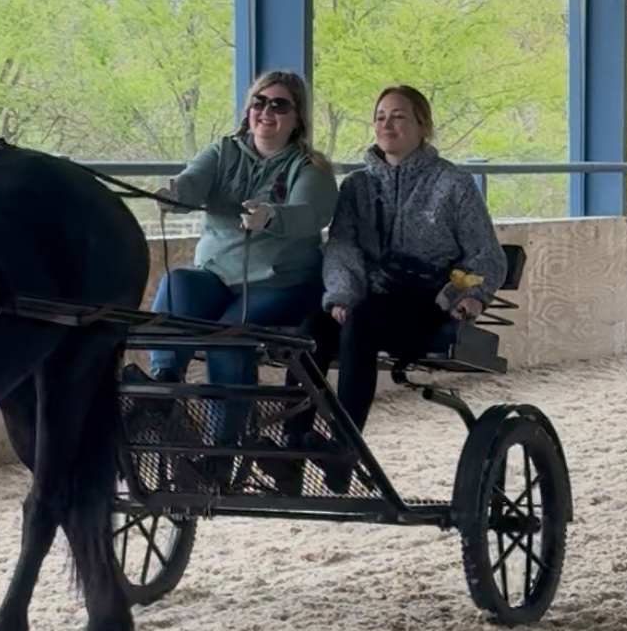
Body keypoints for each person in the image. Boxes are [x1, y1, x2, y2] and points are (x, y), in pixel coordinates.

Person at [316, 84, 507, 433]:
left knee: (363, 322)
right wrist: (343, 294)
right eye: (380, 117)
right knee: (306, 332)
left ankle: (344, 444)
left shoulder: (453, 184)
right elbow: (342, 246)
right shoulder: (356, 186)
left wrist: (471, 296)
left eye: (399, 117)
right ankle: (294, 445)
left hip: (423, 302)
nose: (387, 125)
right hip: (366, 296)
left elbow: (486, 255)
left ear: (423, 126)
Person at [149, 70, 338, 388]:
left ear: (297, 118)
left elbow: (308, 214)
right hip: (217, 277)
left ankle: (227, 436)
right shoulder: (221, 152)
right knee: (176, 284)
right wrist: (174, 196)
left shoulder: (310, 168)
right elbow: (192, 183)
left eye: (279, 105)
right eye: (259, 102)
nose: (266, 112)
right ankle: (162, 382)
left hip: (282, 285)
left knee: (228, 335)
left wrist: (272, 217)